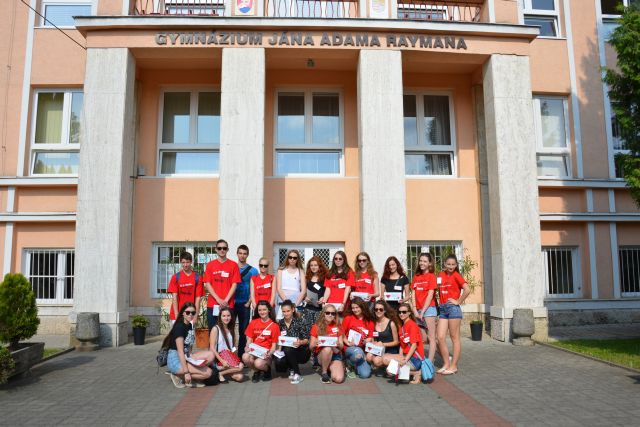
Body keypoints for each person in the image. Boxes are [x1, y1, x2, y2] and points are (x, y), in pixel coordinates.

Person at [163, 302, 214, 388]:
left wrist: (192, 357)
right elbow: (180, 351)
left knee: (211, 355)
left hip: (186, 356)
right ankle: (179, 375)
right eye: (188, 312)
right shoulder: (179, 327)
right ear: (183, 313)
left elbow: (189, 345)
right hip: (175, 359)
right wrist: (186, 372)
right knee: (208, 373)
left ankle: (191, 373)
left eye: (193, 313)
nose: (190, 315)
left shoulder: (190, 325)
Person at [436, 254, 470, 375]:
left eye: (453, 264)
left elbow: (467, 289)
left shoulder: (456, 275)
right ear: (444, 264)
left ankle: (454, 366)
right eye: (448, 264)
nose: (451, 266)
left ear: (456, 265)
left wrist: (458, 301)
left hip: (453, 309)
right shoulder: (441, 275)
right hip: (443, 309)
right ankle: (446, 363)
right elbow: (437, 288)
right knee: (440, 337)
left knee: (454, 337)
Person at [204, 239, 241, 331]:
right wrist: (218, 299)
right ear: (216, 249)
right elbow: (208, 284)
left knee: (228, 332)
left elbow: (234, 284)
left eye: (224, 248)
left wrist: (226, 300)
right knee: (213, 331)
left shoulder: (233, 265)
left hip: (228, 305)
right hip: (213, 304)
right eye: (219, 248)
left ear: (227, 249)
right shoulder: (210, 265)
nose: (222, 250)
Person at [382, 302, 424, 385]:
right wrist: (400, 357)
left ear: (409, 313)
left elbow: (414, 345)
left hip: (415, 359)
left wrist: (405, 360)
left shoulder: (412, 325)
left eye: (404, 312)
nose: (401, 314)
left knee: (387, 364)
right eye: (400, 312)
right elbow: (402, 346)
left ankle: (416, 373)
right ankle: (407, 374)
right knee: (387, 363)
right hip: (406, 356)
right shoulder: (402, 327)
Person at [275, 300, 312, 384]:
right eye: (284, 311)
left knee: (288, 349)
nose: (286, 313)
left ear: (293, 310)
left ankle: (297, 374)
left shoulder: (300, 321)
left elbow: (307, 340)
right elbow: (280, 339)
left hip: (302, 350)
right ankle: (291, 368)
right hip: (286, 350)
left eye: (288, 311)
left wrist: (300, 342)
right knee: (279, 359)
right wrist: (278, 351)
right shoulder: (280, 323)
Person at [243, 301, 280, 383]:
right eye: (260, 310)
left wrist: (269, 354)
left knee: (258, 363)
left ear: (269, 310)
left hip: (266, 353)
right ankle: (256, 371)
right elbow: (249, 339)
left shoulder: (274, 326)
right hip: (254, 351)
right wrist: (247, 347)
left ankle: (267, 370)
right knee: (245, 357)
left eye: (264, 309)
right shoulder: (253, 322)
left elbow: (274, 346)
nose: (262, 312)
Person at [411, 253, 438, 362]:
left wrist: (423, 312)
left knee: (431, 338)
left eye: (425, 261)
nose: (422, 263)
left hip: (429, 309)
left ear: (430, 263)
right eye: (421, 261)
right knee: (423, 338)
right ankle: (442, 354)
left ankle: (429, 363)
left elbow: (430, 295)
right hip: (417, 310)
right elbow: (413, 294)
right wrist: (414, 309)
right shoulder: (416, 277)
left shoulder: (431, 276)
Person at [309, 304, 345, 384]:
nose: (330, 315)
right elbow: (311, 347)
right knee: (328, 348)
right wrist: (315, 343)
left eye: (333, 313)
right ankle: (324, 373)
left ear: (335, 315)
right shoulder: (316, 326)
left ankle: (329, 367)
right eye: (328, 313)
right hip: (321, 354)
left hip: (335, 355)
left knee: (338, 379)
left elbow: (341, 346)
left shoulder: (338, 326)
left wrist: (338, 344)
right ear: (323, 314)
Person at [341, 297, 375, 379]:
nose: (355, 310)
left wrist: (368, 340)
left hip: (362, 349)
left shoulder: (369, 321)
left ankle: (355, 364)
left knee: (365, 375)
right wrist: (348, 342)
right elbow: (341, 334)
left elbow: (371, 337)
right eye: (353, 308)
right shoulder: (348, 318)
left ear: (362, 307)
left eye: (357, 307)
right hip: (349, 347)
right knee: (358, 353)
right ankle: (349, 364)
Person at [234, 245, 258, 360]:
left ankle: (241, 357)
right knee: (229, 331)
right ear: (237, 254)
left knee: (243, 331)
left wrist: (249, 302)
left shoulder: (253, 271)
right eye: (240, 253)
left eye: (244, 253)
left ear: (247, 255)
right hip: (232, 304)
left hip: (245, 304)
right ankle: (229, 356)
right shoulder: (232, 268)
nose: (242, 255)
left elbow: (255, 288)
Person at [167, 252, 204, 326]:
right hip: (177, 314)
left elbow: (198, 299)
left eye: (187, 262)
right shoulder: (176, 277)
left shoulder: (198, 277)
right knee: (177, 333)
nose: (185, 265)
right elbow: (174, 297)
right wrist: (177, 315)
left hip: (191, 314)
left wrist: (196, 315)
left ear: (191, 262)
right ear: (180, 262)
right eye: (183, 262)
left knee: (189, 334)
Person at [209, 307, 244, 383]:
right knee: (240, 366)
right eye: (224, 316)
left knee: (240, 377)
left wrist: (235, 356)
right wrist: (222, 361)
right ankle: (222, 371)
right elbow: (212, 348)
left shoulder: (231, 329)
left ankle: (221, 373)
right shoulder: (215, 329)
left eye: (228, 316)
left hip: (228, 356)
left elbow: (233, 347)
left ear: (231, 317)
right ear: (220, 317)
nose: (226, 318)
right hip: (219, 358)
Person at [366, 300, 400, 374]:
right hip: (378, 349)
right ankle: (382, 366)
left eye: (381, 309)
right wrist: (373, 342)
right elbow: (373, 338)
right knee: (368, 356)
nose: (378, 311)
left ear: (384, 311)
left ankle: (384, 366)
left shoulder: (391, 323)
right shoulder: (374, 322)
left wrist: (383, 344)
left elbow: (396, 342)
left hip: (390, 349)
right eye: (376, 309)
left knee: (377, 361)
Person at [304, 256, 329, 325]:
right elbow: (304, 291)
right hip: (309, 308)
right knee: (308, 329)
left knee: (319, 329)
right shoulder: (307, 277)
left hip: (320, 309)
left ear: (320, 266)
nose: (313, 267)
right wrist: (305, 298)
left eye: (315, 265)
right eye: (311, 265)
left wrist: (324, 298)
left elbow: (328, 290)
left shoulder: (325, 277)